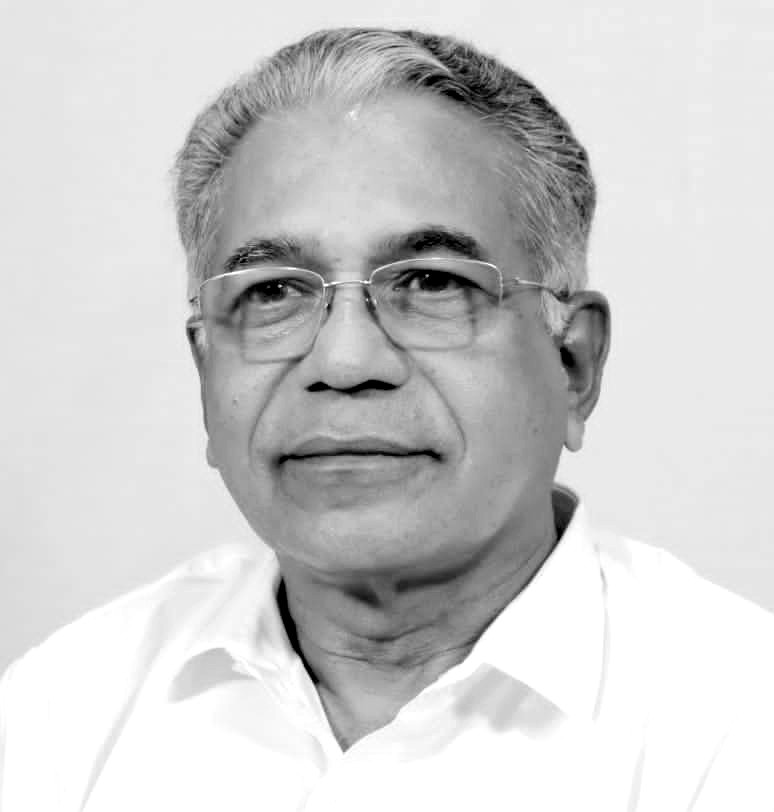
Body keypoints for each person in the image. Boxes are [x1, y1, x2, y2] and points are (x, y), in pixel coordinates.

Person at [1, 27, 772, 812]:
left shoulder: (740, 723)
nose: (344, 362)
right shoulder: (60, 714)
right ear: (206, 373)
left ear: (573, 364)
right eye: (273, 292)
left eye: (432, 283)